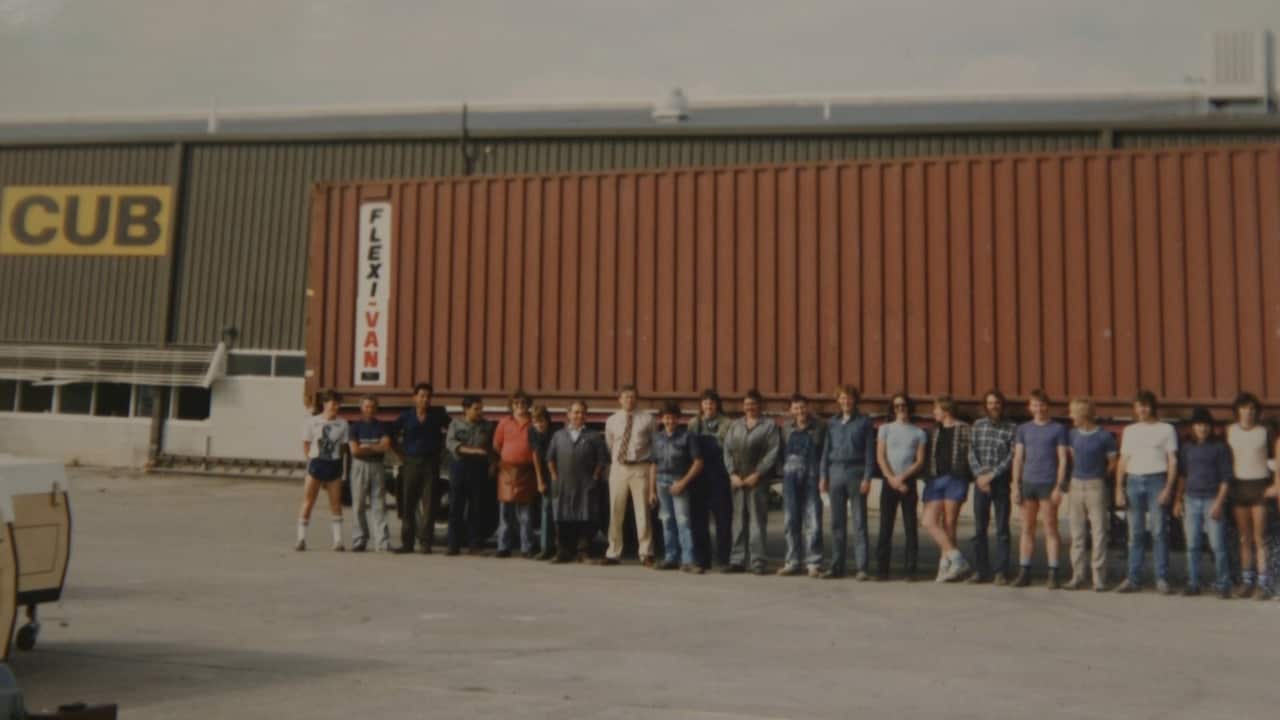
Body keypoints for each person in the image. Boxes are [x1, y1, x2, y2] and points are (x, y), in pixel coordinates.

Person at [1114, 390, 1179, 595]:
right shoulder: (1130, 430)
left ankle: (1161, 578)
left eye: (1145, 406)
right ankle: (1133, 578)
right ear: (1134, 409)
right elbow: (1123, 460)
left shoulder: (1166, 429)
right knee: (1135, 533)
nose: (1142, 410)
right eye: (1138, 406)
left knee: (1159, 532)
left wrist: (1168, 488)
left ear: (1152, 407)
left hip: (1157, 481)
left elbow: (1172, 460)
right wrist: (1119, 488)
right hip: (1134, 480)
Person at [1010, 389, 1069, 588]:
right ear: (1030, 407)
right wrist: (1015, 486)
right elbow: (1018, 459)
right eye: (1035, 404)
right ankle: (1024, 571)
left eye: (1042, 404)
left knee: (1050, 527)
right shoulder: (1023, 429)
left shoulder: (1058, 429)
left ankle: (1053, 572)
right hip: (1028, 483)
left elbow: (1062, 459)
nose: (1039, 408)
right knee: (1027, 528)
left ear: (1047, 406)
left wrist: (1059, 486)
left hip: (1048, 483)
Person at [1174, 406, 1233, 598]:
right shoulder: (1187, 448)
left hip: (1212, 500)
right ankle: (1193, 583)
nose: (1202, 428)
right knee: (1192, 545)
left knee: (1217, 545)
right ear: (1193, 427)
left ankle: (1223, 584)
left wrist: (1219, 503)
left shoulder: (1220, 447)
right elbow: (1182, 475)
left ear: (1211, 427)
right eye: (1199, 425)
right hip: (1191, 500)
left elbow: (1226, 478)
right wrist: (1178, 500)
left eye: (1206, 425)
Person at [820, 385, 876, 580]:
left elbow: (870, 452)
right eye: (842, 398)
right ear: (838, 400)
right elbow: (826, 451)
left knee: (859, 522)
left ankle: (862, 568)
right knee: (837, 523)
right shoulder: (832, 423)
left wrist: (867, 477)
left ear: (855, 400)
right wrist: (823, 476)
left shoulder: (864, 422)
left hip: (856, 472)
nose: (846, 402)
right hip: (835, 472)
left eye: (849, 398)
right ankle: (837, 566)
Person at [722, 389, 780, 575]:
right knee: (738, 522)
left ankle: (757, 562)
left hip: (757, 481)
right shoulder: (735, 425)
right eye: (747, 404)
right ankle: (737, 560)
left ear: (760, 405)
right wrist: (732, 473)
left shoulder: (769, 426)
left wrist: (758, 474)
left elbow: (772, 453)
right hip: (738, 480)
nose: (750, 407)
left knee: (756, 521)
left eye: (753, 404)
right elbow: (727, 450)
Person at [1225, 392, 1275, 600]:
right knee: (1244, 537)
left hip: (1259, 486)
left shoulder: (1264, 432)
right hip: (1239, 487)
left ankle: (1263, 584)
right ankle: (1247, 581)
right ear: (1238, 411)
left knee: (1259, 537)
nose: (1249, 412)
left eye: (1252, 408)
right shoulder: (1230, 431)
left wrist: (1275, 484)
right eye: (1245, 408)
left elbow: (1274, 459)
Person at [546, 400, 609, 564]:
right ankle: (562, 552)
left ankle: (583, 552)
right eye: (575, 412)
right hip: (563, 483)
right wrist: (554, 476)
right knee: (562, 518)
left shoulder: (594, 436)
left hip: (585, 483)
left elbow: (602, 460)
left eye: (582, 412)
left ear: (586, 416)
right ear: (568, 415)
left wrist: (595, 476)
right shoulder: (558, 435)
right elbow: (550, 458)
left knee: (585, 518)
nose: (578, 415)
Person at [1065, 397, 1118, 591]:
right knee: (1077, 532)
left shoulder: (1104, 437)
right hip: (1076, 484)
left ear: (1083, 414)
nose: (1071, 416)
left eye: (1073, 413)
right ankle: (1077, 575)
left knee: (1099, 532)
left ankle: (1099, 578)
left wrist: (1100, 476)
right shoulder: (1072, 435)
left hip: (1096, 485)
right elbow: (1073, 457)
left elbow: (1113, 462)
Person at [392, 383, 451, 554]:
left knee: (429, 504)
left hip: (431, 463)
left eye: (428, 396)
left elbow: (453, 430)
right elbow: (390, 434)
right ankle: (407, 543)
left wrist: (442, 451)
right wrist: (400, 453)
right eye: (422, 396)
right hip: (411, 462)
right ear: (414, 397)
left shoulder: (438, 415)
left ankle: (426, 543)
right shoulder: (406, 416)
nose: (425, 399)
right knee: (408, 503)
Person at [603, 385, 658, 566]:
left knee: (642, 512)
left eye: (633, 396)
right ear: (619, 399)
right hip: (619, 468)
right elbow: (610, 444)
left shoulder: (647, 419)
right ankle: (613, 552)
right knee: (615, 510)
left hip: (640, 468)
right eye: (626, 397)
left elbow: (654, 444)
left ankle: (646, 553)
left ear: (637, 399)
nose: (629, 400)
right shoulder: (612, 420)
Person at [967, 390, 1017, 585]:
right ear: (985, 405)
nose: (993, 406)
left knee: (1002, 529)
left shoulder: (1011, 427)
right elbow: (971, 452)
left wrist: (992, 475)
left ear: (1001, 405)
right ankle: (981, 571)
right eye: (990, 403)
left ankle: (1001, 572)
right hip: (981, 482)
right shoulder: (978, 425)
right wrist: (980, 476)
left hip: (1000, 481)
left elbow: (1011, 456)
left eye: (996, 402)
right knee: (979, 529)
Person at [875, 392, 927, 581]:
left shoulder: (919, 432)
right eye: (897, 406)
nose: (900, 409)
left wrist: (902, 478)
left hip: (908, 483)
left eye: (903, 405)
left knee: (910, 527)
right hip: (889, 482)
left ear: (909, 407)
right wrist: (891, 478)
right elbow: (880, 456)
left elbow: (919, 461)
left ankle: (911, 570)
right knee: (885, 526)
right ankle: (882, 570)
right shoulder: (885, 429)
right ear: (893, 409)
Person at [650, 401, 705, 572]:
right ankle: (670, 557)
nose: (669, 421)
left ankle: (688, 560)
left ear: (678, 419)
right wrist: (651, 491)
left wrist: (683, 482)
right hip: (661, 482)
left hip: (679, 481)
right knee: (666, 520)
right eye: (666, 418)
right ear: (661, 419)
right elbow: (653, 464)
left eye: (673, 418)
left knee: (683, 521)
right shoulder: (657, 438)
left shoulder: (687, 437)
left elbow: (698, 462)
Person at [923, 396, 973, 582]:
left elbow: (971, 454)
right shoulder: (934, 430)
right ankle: (957, 558)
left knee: (949, 522)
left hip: (955, 478)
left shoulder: (964, 429)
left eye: (936, 409)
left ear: (946, 411)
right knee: (928, 521)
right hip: (935, 479)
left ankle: (945, 566)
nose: (934, 413)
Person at [778, 394, 826, 578]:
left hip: (812, 478)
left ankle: (813, 563)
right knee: (791, 521)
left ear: (808, 407)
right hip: (790, 479)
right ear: (791, 410)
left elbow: (824, 453)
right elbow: (780, 452)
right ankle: (792, 562)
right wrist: (782, 473)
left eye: (802, 407)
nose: (800, 411)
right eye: (796, 408)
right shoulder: (786, 428)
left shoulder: (820, 427)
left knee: (813, 521)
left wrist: (823, 476)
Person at [297, 389, 349, 552]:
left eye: (338, 404)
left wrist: (339, 464)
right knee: (308, 501)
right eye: (333, 404)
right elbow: (306, 444)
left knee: (335, 503)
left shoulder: (343, 423)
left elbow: (344, 447)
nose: (336, 407)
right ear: (325, 404)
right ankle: (301, 539)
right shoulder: (312, 422)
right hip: (316, 464)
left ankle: (338, 541)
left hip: (334, 464)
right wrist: (310, 461)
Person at [688, 389, 733, 570]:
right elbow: (690, 448)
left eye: (712, 403)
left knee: (723, 520)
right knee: (698, 520)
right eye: (706, 403)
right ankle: (702, 559)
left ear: (717, 405)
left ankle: (723, 559)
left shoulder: (727, 423)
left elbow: (727, 446)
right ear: (701, 405)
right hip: (699, 475)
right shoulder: (694, 423)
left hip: (719, 475)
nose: (709, 406)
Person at [445, 396, 494, 556]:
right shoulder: (455, 424)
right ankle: (453, 545)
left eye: (481, 409)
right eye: (476, 409)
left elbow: (492, 446)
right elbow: (451, 444)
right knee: (456, 507)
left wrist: (493, 463)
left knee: (476, 507)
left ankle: (474, 544)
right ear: (466, 409)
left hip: (478, 468)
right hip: (460, 466)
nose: (480, 412)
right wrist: (473, 451)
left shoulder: (487, 426)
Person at [493, 390, 538, 558]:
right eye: (516, 403)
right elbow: (497, 445)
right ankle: (503, 546)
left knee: (525, 514)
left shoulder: (533, 423)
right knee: (504, 512)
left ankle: (527, 547)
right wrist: (507, 457)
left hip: (526, 471)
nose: (520, 406)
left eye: (523, 403)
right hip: (507, 471)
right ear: (511, 405)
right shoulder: (504, 422)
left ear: (528, 405)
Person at [348, 395, 392, 553]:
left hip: (377, 467)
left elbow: (385, 446)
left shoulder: (382, 426)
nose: (369, 410)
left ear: (376, 408)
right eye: (366, 406)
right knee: (358, 504)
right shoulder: (355, 427)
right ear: (361, 408)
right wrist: (375, 447)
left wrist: (365, 447)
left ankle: (382, 542)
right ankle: (359, 540)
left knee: (379, 504)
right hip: (359, 467)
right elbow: (354, 450)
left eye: (372, 407)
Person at [529, 405, 556, 560]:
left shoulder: (555, 432)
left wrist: (554, 475)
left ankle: (561, 547)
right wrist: (540, 480)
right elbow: (536, 455)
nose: (538, 425)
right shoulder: (532, 432)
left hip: (557, 472)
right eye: (535, 422)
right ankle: (546, 548)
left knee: (558, 510)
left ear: (547, 420)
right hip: (544, 473)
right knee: (546, 508)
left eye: (541, 421)